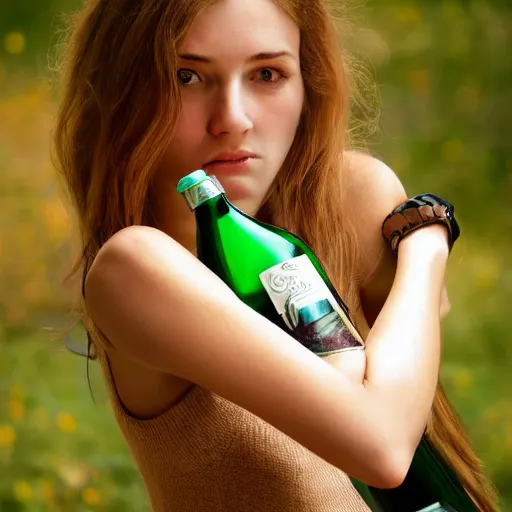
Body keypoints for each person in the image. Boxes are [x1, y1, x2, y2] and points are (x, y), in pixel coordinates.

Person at [52, 0, 498, 511]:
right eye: (186, 76)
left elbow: (423, 336)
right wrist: (427, 237)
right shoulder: (134, 268)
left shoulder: (354, 198)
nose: (233, 119)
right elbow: (383, 446)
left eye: (267, 73)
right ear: (122, 91)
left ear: (308, 84)